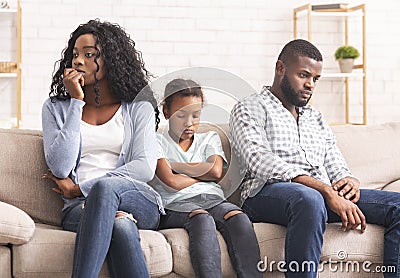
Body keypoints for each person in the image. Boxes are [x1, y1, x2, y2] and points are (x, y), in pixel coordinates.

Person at [229, 39, 400, 278]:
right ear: (280, 68)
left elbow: (332, 156)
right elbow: (258, 160)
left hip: (318, 198)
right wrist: (325, 191)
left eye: (315, 79)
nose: (310, 84)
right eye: (303, 75)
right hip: (265, 195)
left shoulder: (315, 117)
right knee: (309, 199)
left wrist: (347, 180)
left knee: (398, 206)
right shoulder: (249, 108)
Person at [41, 19, 163, 278]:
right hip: (79, 210)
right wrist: (76, 102)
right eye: (74, 55)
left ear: (112, 60)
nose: (78, 61)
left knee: (106, 188)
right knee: (121, 228)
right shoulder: (55, 108)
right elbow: (60, 166)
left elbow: (143, 168)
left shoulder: (137, 107)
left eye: (89, 55)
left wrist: (80, 189)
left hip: (137, 200)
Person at [151, 78, 262, 278]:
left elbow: (216, 172)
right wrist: (204, 176)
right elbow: (172, 182)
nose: (189, 123)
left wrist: (175, 166)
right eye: (181, 115)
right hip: (176, 205)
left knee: (238, 218)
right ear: (166, 112)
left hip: (213, 200)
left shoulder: (210, 138)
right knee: (201, 218)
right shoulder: (156, 141)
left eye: (196, 115)